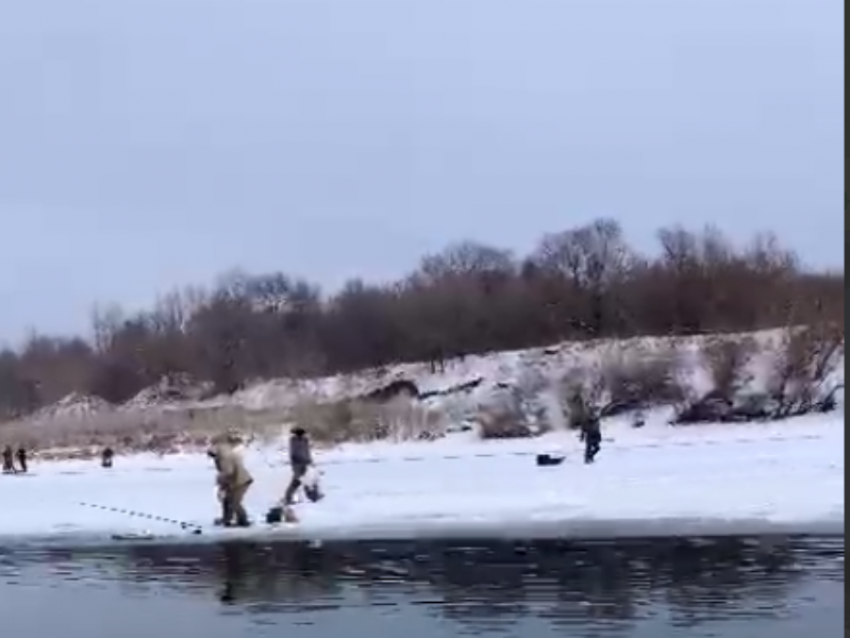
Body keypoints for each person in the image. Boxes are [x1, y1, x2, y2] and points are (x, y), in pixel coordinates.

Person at [208, 432, 254, 527]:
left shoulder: (224, 456)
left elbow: (228, 472)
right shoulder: (222, 454)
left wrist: (220, 482)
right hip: (233, 481)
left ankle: (243, 521)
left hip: (241, 481)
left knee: (234, 502)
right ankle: (226, 519)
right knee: (227, 500)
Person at [282, 427, 314, 506]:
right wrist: (297, 462)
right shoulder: (293, 440)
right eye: (300, 433)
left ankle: (312, 496)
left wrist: (310, 460)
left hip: (305, 463)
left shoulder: (305, 440)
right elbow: (294, 453)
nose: (302, 435)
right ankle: (287, 498)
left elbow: (307, 451)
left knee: (306, 480)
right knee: (296, 482)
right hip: (297, 464)